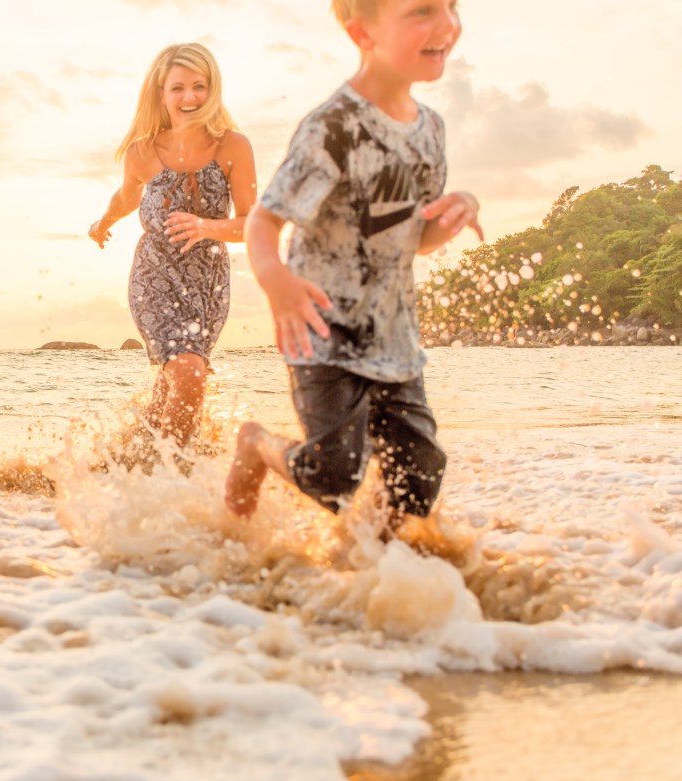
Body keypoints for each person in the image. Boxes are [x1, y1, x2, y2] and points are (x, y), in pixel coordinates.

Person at [225, 0, 482, 539]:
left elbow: (417, 240)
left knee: (418, 480)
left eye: (453, 7)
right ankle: (255, 444)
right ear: (362, 31)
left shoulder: (430, 129)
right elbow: (262, 222)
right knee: (333, 475)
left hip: (392, 333)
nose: (447, 25)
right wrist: (277, 284)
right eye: (423, 11)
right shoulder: (332, 127)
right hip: (321, 326)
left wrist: (458, 209)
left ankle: (371, 561)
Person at [89, 43, 256, 454]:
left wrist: (207, 227)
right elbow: (127, 198)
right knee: (189, 372)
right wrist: (103, 223)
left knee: (175, 382)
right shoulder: (143, 151)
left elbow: (254, 224)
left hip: (208, 285)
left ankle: (137, 464)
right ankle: (173, 475)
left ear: (212, 90)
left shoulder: (233, 147)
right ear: (161, 94)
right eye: (178, 88)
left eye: (199, 86)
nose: (189, 97)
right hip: (154, 276)